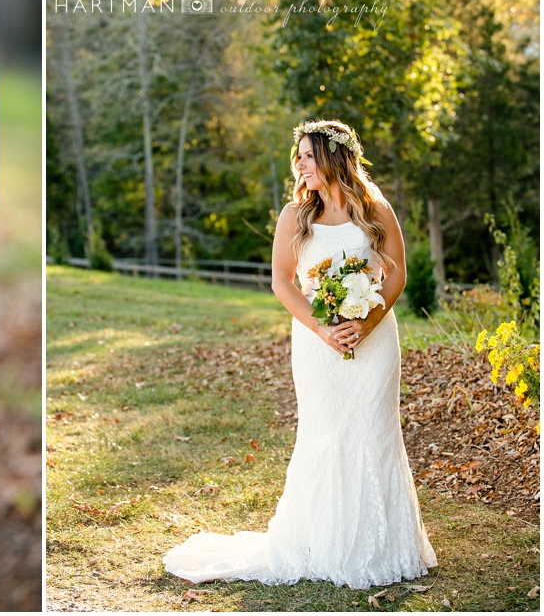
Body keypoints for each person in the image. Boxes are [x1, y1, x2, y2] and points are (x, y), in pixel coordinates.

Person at [163, 120, 437, 589]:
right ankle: (321, 541)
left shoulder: (376, 209)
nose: (301, 164)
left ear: (334, 158)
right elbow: (282, 282)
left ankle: (382, 545)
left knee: (374, 433)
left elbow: (396, 275)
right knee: (324, 434)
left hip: (374, 343)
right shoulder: (295, 215)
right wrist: (321, 329)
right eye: (300, 157)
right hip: (316, 346)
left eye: (309, 155)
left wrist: (367, 321)